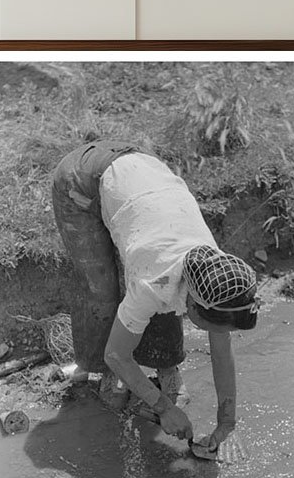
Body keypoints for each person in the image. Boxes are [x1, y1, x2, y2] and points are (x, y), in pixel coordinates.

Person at [51, 140, 259, 457]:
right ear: (193, 304)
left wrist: (226, 420)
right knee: (101, 289)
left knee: (163, 303)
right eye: (211, 326)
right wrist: (164, 408)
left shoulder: (216, 276)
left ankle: (164, 365)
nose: (217, 334)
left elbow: (221, 352)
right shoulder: (153, 283)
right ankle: (100, 375)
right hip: (82, 179)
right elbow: (116, 355)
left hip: (143, 173)